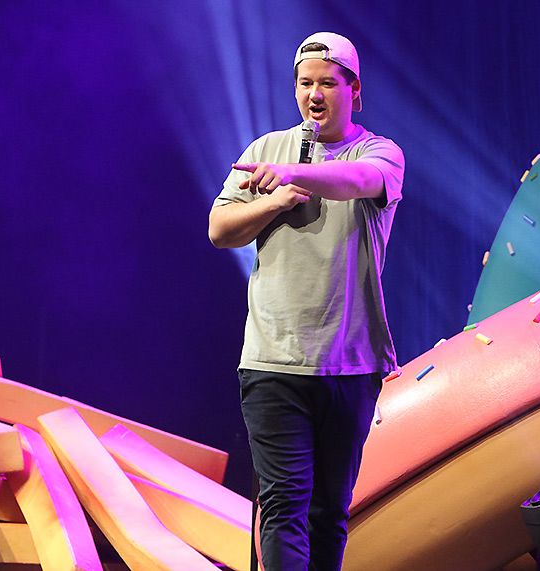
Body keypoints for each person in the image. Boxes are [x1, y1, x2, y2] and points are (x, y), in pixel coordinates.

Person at [208, 31, 405, 570]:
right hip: (274, 362)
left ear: (354, 89)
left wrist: (299, 174)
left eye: (326, 83)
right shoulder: (265, 152)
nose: (314, 94)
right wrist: (272, 202)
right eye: (304, 83)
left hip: (350, 364)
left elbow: (359, 181)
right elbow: (220, 228)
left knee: (328, 513)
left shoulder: (379, 152)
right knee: (282, 504)